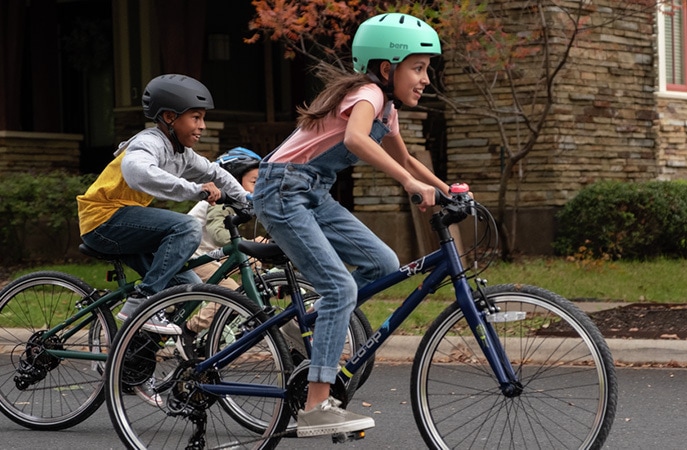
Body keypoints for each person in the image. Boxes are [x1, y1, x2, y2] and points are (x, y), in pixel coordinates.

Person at [251, 13, 450, 437]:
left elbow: (406, 159)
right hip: (282, 189)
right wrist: (409, 184)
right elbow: (355, 140)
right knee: (340, 287)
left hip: (312, 191)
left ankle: (311, 319)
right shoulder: (367, 95)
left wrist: (448, 190)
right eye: (418, 68)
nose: (425, 79)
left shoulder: (387, 109)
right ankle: (316, 405)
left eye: (426, 69)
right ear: (386, 68)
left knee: (383, 262)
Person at [77, 74, 250, 336]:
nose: (202, 125)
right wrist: (196, 191)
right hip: (103, 221)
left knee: (188, 289)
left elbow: (216, 174)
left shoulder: (182, 153)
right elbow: (137, 171)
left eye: (203, 118)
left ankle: (134, 357)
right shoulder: (148, 143)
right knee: (187, 227)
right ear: (170, 117)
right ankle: (143, 301)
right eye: (196, 117)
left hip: (126, 226)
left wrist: (247, 203)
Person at [178, 146, 264, 359]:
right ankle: (189, 330)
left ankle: (242, 314)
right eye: (254, 182)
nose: (259, 188)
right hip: (192, 255)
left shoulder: (237, 203)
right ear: (234, 180)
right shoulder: (220, 201)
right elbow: (218, 234)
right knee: (232, 294)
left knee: (255, 263)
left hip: (208, 253)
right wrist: (250, 242)